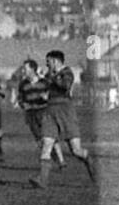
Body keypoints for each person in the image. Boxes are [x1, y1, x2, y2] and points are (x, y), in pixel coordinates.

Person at [31, 50, 94, 187]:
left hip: (66, 112)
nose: (47, 65)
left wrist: (50, 78)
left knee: (76, 150)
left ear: (55, 61)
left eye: (48, 62)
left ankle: (88, 159)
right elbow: (48, 88)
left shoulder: (67, 73)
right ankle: (42, 180)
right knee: (46, 144)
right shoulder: (49, 74)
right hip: (50, 112)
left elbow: (65, 86)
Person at [17, 58, 65, 168]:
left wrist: (48, 97)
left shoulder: (44, 82)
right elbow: (20, 98)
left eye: (25, 68)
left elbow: (54, 94)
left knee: (51, 137)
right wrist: (22, 104)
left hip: (44, 112)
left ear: (32, 69)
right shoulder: (23, 84)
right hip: (31, 114)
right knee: (40, 141)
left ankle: (62, 161)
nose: (23, 71)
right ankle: (53, 160)